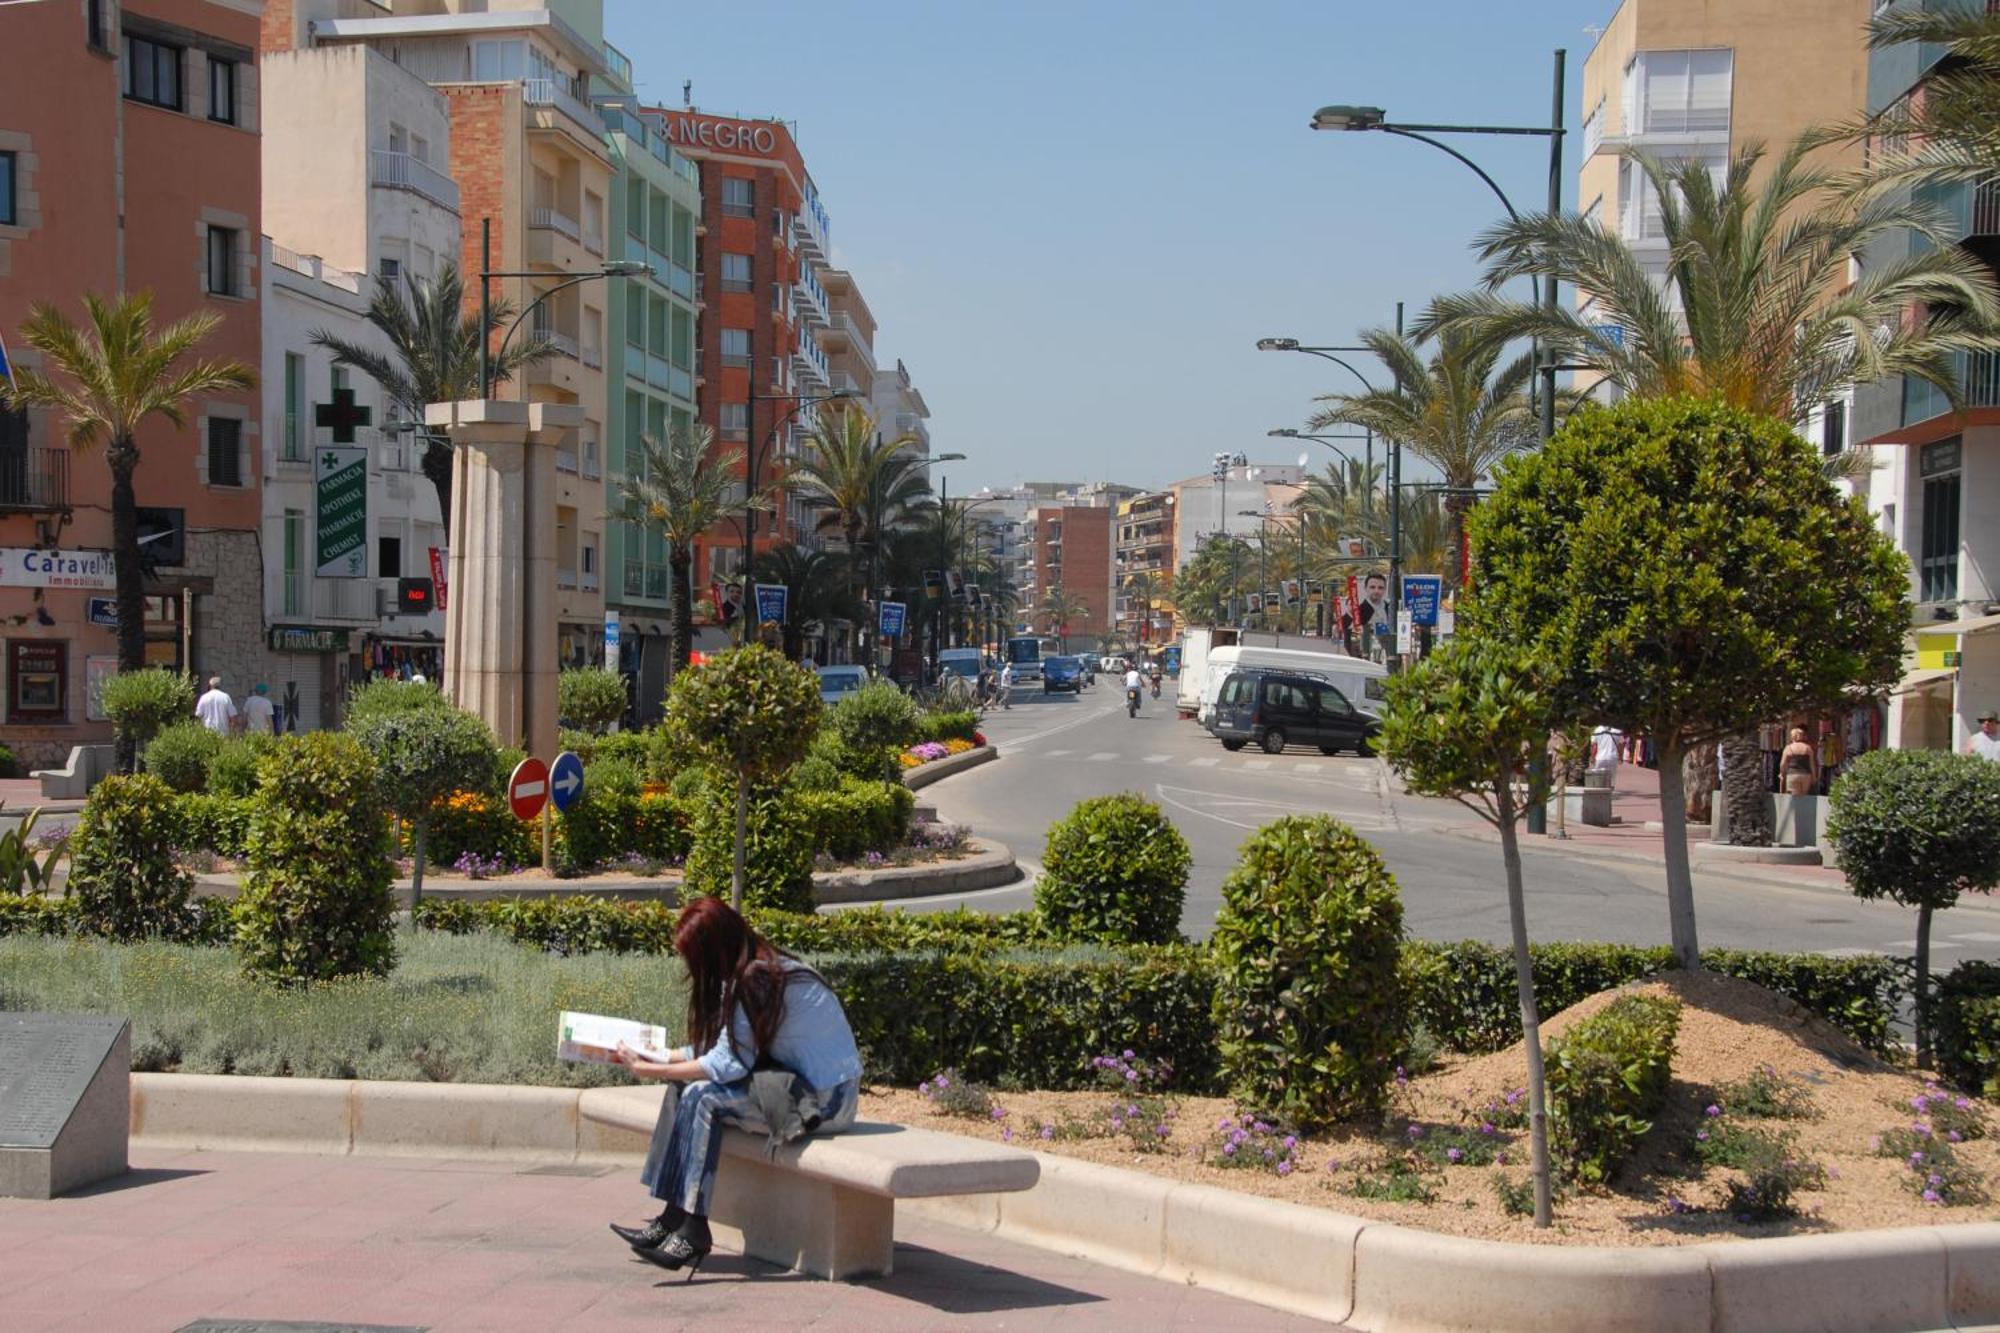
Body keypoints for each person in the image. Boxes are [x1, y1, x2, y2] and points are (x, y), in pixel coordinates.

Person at [610, 898, 862, 1278]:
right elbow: (725, 1049)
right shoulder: (752, 966)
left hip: (827, 1101)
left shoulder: (756, 978)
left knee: (701, 1095)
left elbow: (727, 1065)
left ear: (713, 951)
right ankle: (672, 1214)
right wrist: (659, 1057)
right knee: (683, 1089)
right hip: (795, 1088)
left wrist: (649, 1069)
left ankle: (693, 1227)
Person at [1780, 726, 1817, 796]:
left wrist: (1782, 774)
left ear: (1792, 737)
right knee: (1804, 797)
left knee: (1794, 799)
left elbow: (1782, 764)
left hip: (1792, 774)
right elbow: (1812, 764)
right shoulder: (1808, 748)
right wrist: (1814, 777)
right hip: (1806, 775)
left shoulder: (1788, 748)